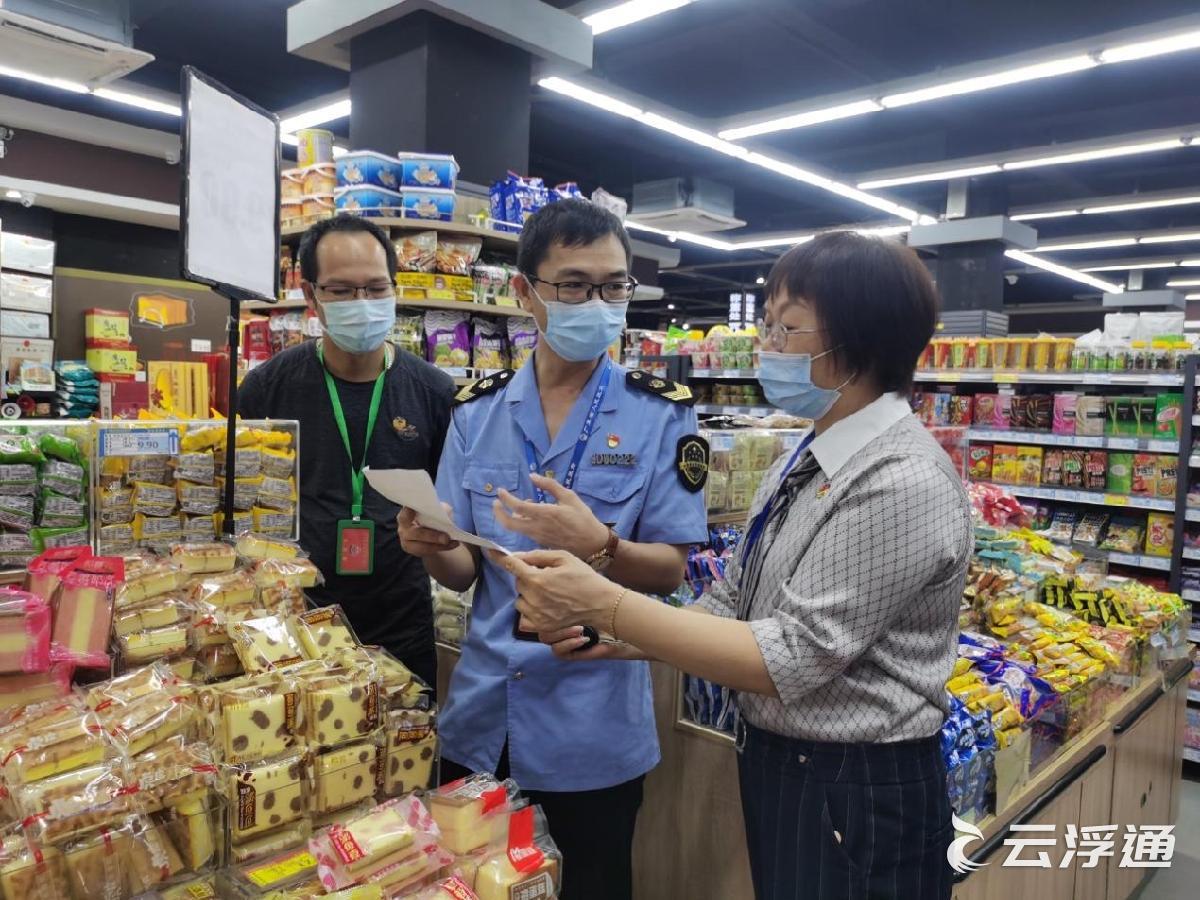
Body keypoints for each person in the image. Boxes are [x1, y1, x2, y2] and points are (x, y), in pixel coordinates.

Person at [504, 231, 973, 900]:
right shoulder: (807, 455)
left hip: (860, 786)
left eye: (788, 329)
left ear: (856, 343)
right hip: (789, 766)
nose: (767, 347)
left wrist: (604, 600)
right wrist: (614, 642)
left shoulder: (902, 480)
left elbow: (787, 657)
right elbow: (733, 601)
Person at [398, 199, 708, 900]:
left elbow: (669, 571)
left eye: (613, 285)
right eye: (572, 285)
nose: (595, 303)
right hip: (480, 719)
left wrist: (599, 546)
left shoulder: (660, 410)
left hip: (591, 729)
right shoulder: (476, 410)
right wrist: (428, 543)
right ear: (525, 293)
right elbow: (460, 570)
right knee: (468, 886)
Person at [239, 215, 454, 687]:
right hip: (293, 622)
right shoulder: (267, 388)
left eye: (377, 288)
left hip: (402, 620)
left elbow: (449, 511)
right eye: (342, 290)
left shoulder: (434, 391)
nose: (363, 303)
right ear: (312, 297)